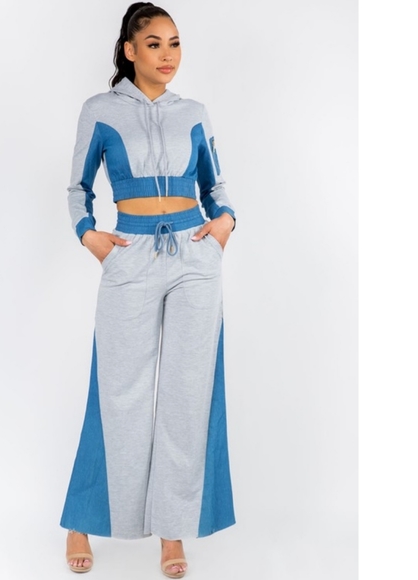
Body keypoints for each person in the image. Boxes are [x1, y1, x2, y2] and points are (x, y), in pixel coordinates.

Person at [59, 3, 237, 577]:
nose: (167, 55)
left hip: (194, 255)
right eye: (155, 44)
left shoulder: (194, 113)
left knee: (187, 397)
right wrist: (91, 237)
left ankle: (172, 531)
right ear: (130, 50)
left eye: (175, 43)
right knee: (119, 394)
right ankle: (82, 519)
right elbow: (77, 187)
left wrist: (225, 224)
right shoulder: (100, 110)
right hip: (130, 255)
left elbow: (216, 186)